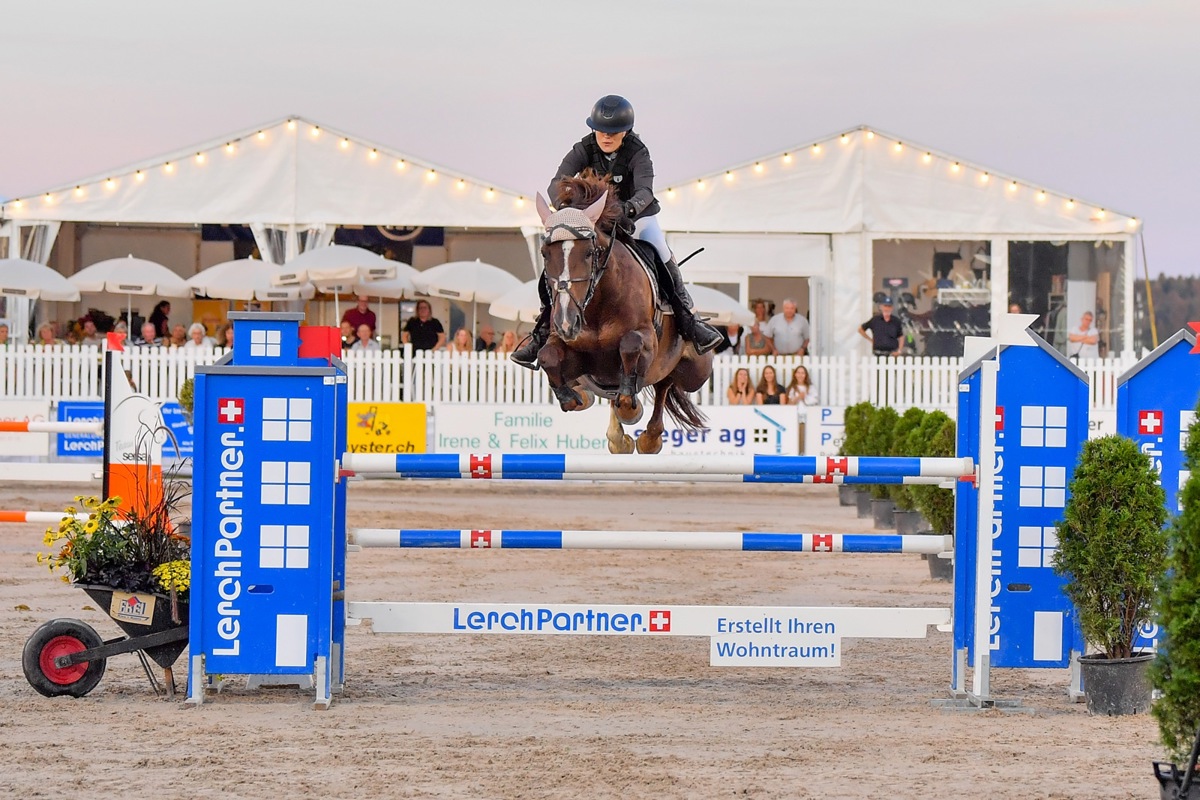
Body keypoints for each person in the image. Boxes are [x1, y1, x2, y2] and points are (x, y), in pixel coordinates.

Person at [511, 94, 723, 368]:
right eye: (601, 131)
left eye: (612, 132)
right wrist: (568, 206)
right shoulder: (584, 148)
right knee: (562, 259)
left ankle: (689, 320)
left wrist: (626, 209)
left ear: (625, 132)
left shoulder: (638, 151)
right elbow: (556, 183)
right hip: (595, 219)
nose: (606, 137)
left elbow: (645, 191)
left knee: (661, 251)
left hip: (636, 219)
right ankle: (542, 329)